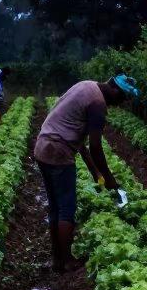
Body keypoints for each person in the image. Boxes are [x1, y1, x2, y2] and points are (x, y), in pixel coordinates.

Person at [34, 74, 138, 272]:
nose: (120, 103)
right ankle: (66, 261)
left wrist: (95, 173)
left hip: (43, 147)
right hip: (59, 151)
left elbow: (80, 142)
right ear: (114, 88)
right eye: (122, 97)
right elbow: (96, 147)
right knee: (67, 208)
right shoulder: (98, 103)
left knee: (55, 207)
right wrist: (110, 180)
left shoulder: (86, 86)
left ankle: (57, 260)